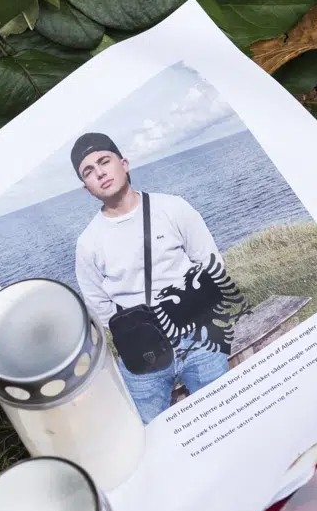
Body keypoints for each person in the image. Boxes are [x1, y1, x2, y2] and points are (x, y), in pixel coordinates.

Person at [71, 132, 232, 422]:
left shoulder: (172, 208)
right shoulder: (88, 243)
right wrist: (139, 330)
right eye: (89, 172)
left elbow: (209, 262)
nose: (100, 173)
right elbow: (98, 306)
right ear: (87, 188)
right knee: (151, 435)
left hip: (200, 339)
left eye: (104, 161)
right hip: (141, 354)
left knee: (224, 418)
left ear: (124, 163)